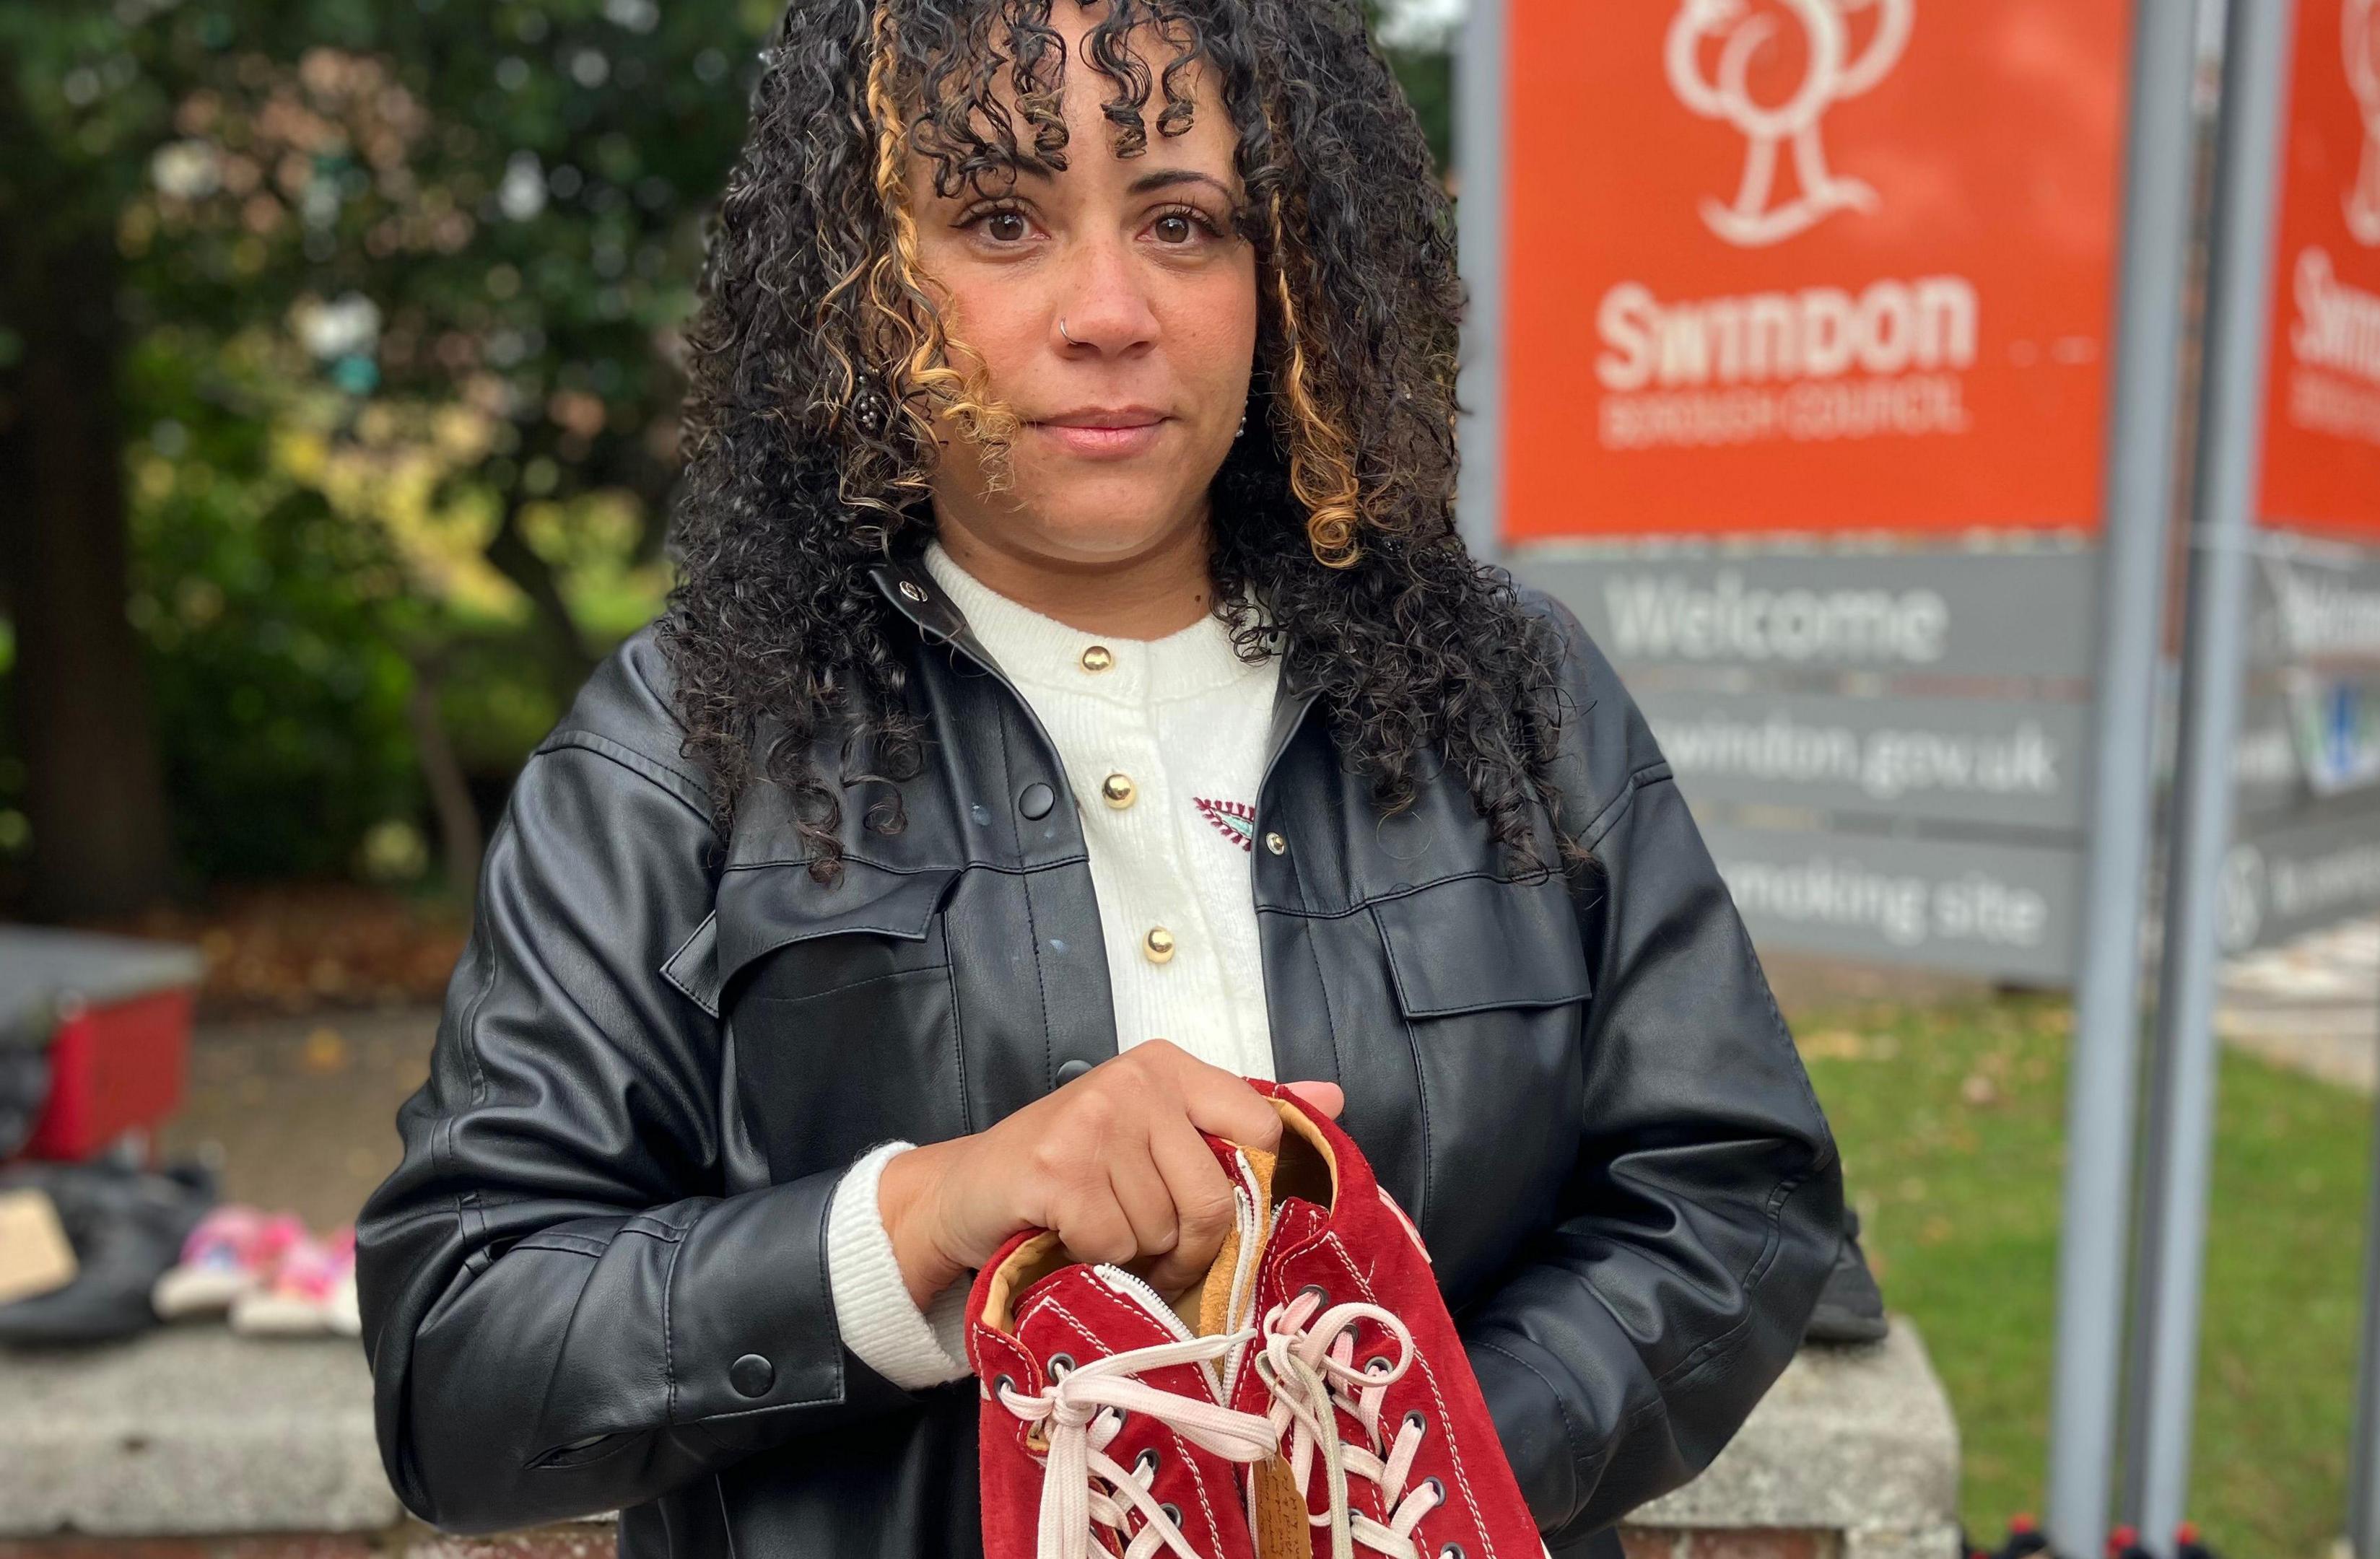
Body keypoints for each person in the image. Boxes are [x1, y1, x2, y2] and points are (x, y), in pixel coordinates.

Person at [355, 1, 1847, 1555]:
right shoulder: (682, 746)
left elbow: (1736, 1193)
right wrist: (928, 1217)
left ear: (1292, 276)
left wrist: (1408, 1474)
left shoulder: (1510, 698)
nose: (1111, 309)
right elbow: (461, 1363)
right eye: (1001, 220)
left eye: (1185, 222)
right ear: (862, 284)